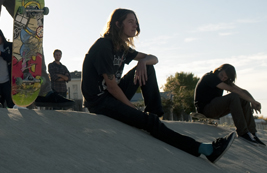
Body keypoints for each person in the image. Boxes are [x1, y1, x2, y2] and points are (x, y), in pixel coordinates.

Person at [81, 8, 236, 164]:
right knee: (148, 122)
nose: (135, 25)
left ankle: (154, 113)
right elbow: (112, 86)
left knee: (148, 67)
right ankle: (206, 149)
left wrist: (142, 61)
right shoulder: (104, 46)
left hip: (112, 94)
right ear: (117, 24)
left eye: (136, 22)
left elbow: (154, 59)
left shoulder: (122, 48)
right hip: (99, 101)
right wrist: (131, 108)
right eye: (130, 22)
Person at [195, 64, 265, 146]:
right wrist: (252, 101)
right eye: (221, 75)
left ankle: (252, 133)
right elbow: (233, 90)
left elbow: (241, 90)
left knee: (242, 98)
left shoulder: (223, 80)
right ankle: (242, 132)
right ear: (219, 70)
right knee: (234, 96)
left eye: (225, 78)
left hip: (215, 110)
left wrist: (253, 101)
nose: (222, 78)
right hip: (205, 110)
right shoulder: (210, 77)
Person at [0, 28, 14, 108]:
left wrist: (1, 54)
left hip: (7, 80)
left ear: (1, 36)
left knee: (11, 104)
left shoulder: (9, 45)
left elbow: (13, 59)